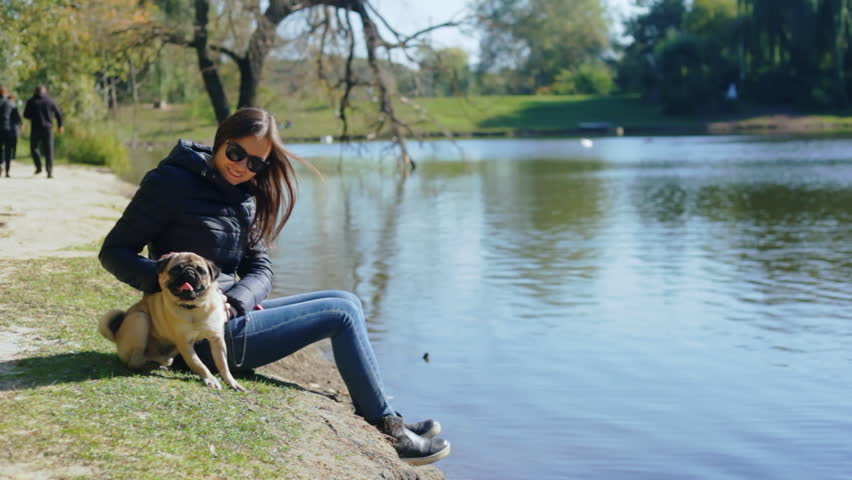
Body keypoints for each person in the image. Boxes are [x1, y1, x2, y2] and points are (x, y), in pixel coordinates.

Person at [98, 107, 451, 466]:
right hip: (198, 337)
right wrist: (163, 278)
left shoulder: (244, 195)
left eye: (256, 163)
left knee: (346, 299)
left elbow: (261, 268)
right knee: (340, 314)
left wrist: (237, 301)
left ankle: (382, 411)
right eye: (236, 153)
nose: (242, 167)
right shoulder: (170, 183)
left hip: (229, 317)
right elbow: (114, 252)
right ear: (220, 141)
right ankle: (388, 428)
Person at [23, 85, 63, 178]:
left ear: (35, 92)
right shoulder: (50, 101)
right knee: (49, 150)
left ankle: (38, 166)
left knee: (34, 148)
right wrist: (60, 125)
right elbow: (58, 114)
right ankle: (49, 171)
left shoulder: (31, 101)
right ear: (44, 91)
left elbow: (26, 115)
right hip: (48, 129)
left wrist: (34, 115)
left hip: (35, 128)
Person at [0, 86, 22, 178]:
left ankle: (0, 164)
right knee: (8, 150)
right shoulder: (11, 103)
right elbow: (17, 118)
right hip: (9, 130)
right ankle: (7, 171)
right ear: (6, 92)